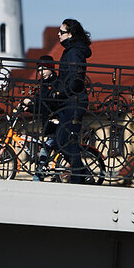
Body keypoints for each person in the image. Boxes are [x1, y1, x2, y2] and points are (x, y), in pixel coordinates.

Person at [54, 19, 92, 183]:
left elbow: (76, 79)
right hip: (69, 100)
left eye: (62, 32)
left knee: (68, 139)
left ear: (71, 34)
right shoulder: (70, 50)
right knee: (63, 140)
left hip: (74, 100)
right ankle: (82, 173)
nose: (58, 34)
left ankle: (79, 177)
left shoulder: (74, 52)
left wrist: (60, 92)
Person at [19, 55, 60, 181]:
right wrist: (29, 107)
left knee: (44, 152)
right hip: (48, 123)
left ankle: (37, 178)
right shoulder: (43, 84)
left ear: (51, 68)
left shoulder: (56, 83)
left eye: (43, 69)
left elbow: (48, 102)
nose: (41, 72)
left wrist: (31, 102)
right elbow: (41, 105)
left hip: (56, 123)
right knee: (49, 151)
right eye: (39, 70)